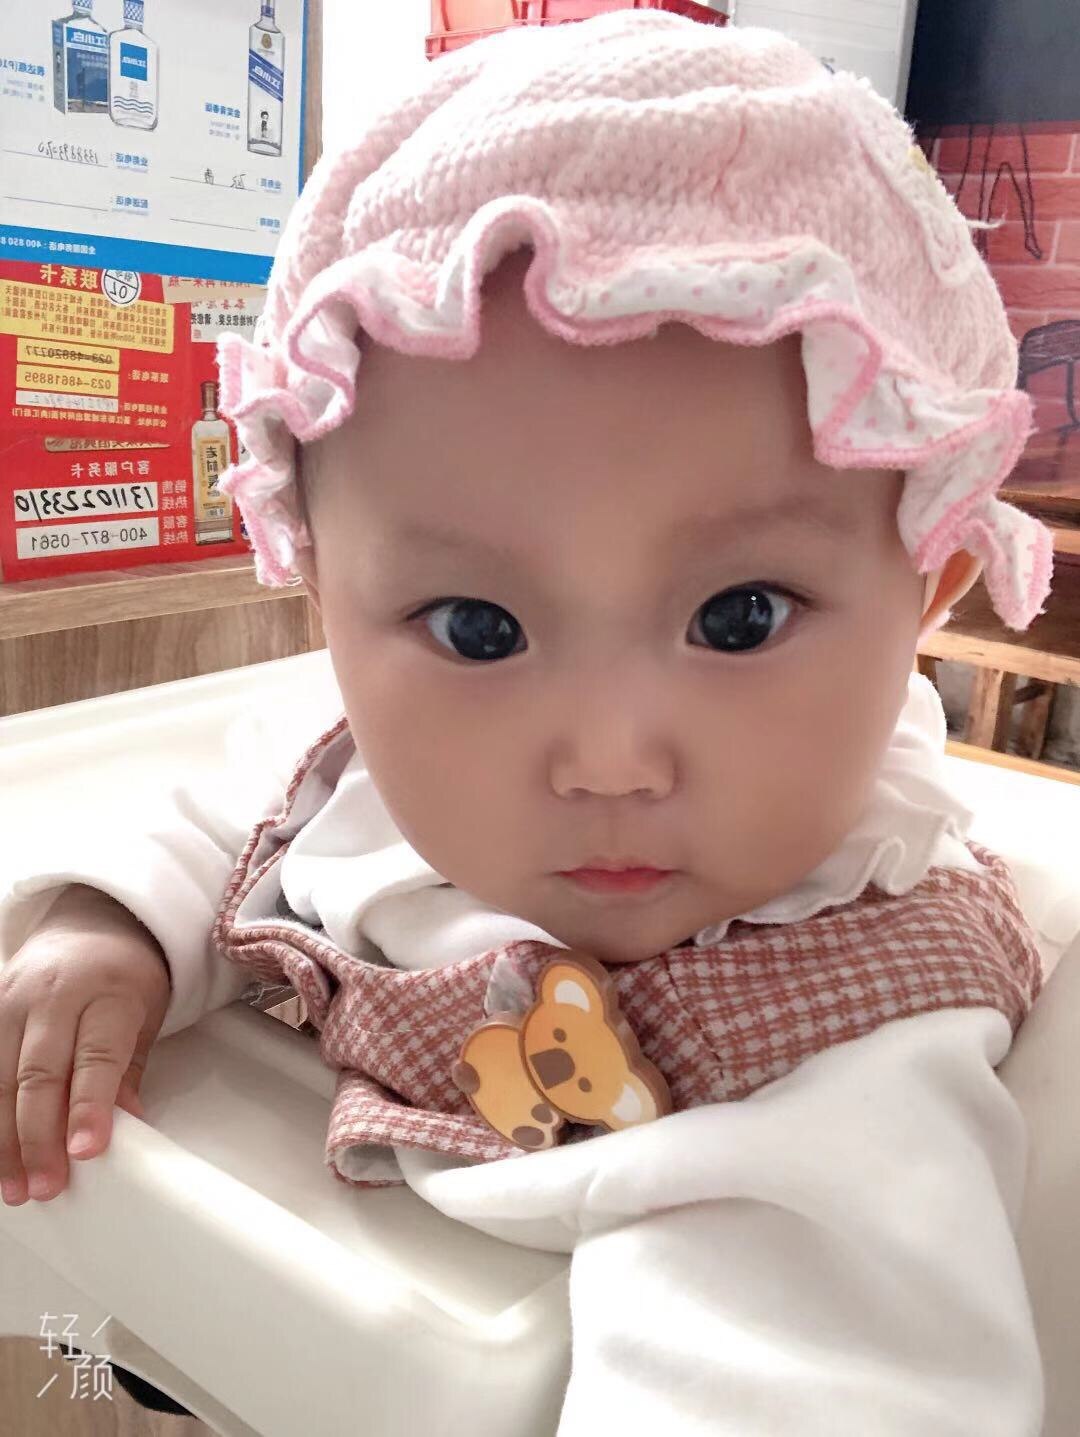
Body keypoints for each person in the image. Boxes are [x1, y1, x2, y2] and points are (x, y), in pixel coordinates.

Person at [0, 12, 1054, 1433]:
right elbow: (248, 815)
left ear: (928, 588)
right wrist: (111, 928)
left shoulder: (861, 1034)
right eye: (479, 630)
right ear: (323, 600)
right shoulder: (373, 760)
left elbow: (807, 1381)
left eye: (741, 617)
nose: (608, 758)